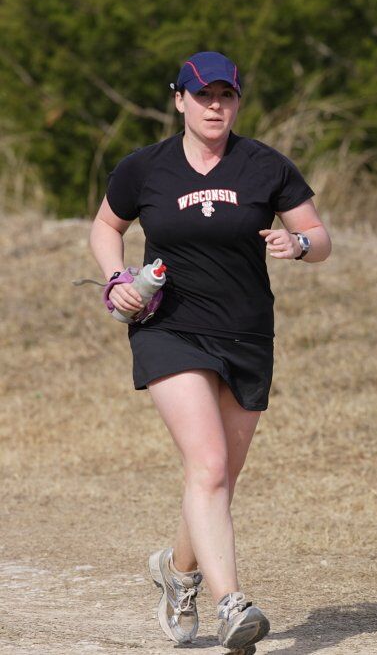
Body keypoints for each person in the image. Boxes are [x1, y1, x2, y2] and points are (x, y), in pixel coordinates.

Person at [89, 51, 331, 654]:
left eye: (226, 95)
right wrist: (118, 279)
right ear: (180, 101)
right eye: (203, 95)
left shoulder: (266, 166)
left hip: (247, 333)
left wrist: (296, 242)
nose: (215, 105)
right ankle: (232, 603)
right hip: (167, 327)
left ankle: (177, 572)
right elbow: (105, 227)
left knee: (220, 477)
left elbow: (321, 237)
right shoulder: (143, 169)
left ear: (238, 101)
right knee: (210, 466)